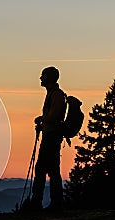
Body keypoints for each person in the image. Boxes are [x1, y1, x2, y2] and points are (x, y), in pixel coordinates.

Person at [31, 66, 67, 211]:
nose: (40, 78)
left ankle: (39, 204)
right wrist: (43, 124)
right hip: (51, 135)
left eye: (43, 75)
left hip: (51, 137)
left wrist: (42, 119)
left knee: (42, 169)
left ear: (49, 78)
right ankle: (54, 203)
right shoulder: (53, 94)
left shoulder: (56, 95)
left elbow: (53, 117)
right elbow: (53, 118)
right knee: (51, 170)